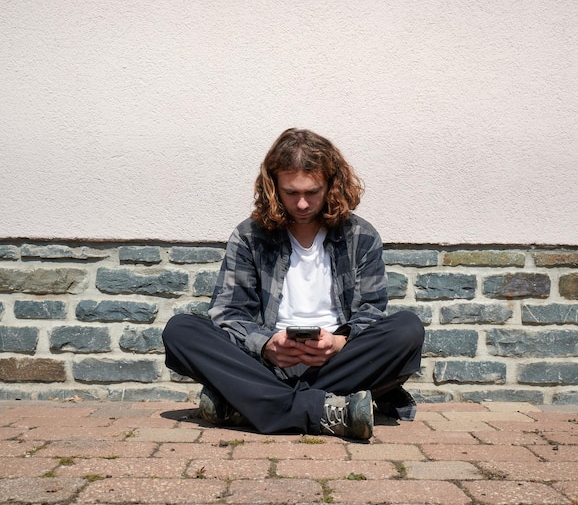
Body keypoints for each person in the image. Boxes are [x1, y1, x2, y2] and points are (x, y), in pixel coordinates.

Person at [162, 128, 424, 440]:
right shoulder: (249, 236)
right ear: (273, 187)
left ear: (331, 185)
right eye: (291, 193)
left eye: (312, 192)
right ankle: (324, 411)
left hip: (338, 363)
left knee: (407, 329)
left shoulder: (361, 236)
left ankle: (250, 404)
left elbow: (371, 311)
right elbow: (229, 312)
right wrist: (267, 346)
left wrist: (339, 342)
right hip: (265, 364)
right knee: (180, 330)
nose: (301, 204)